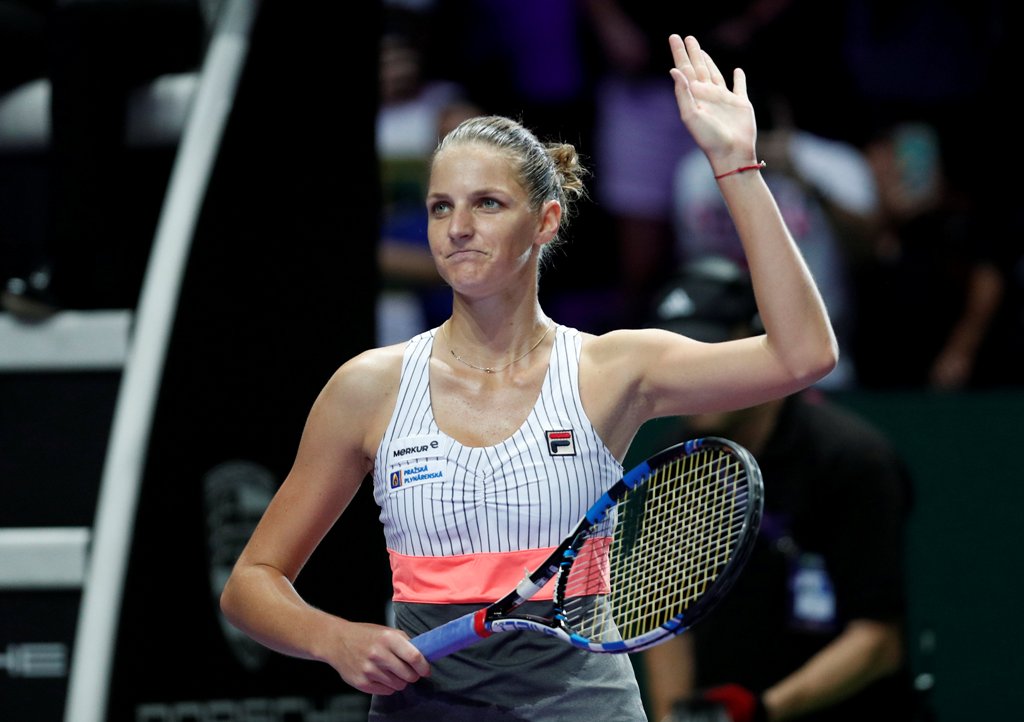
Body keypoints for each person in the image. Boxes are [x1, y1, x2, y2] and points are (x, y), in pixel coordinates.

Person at [219, 34, 838, 720]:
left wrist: (736, 167)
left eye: (487, 203)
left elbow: (802, 354)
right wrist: (332, 638)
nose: (457, 227)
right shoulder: (369, 387)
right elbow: (250, 582)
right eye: (440, 206)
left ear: (545, 221)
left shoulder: (612, 369)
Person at [637, 258, 919, 722]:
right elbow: (665, 622)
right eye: (676, 357)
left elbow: (878, 643)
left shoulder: (853, 460)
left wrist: (758, 712)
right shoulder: (673, 464)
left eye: (707, 351)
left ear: (757, 345)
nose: (690, 376)